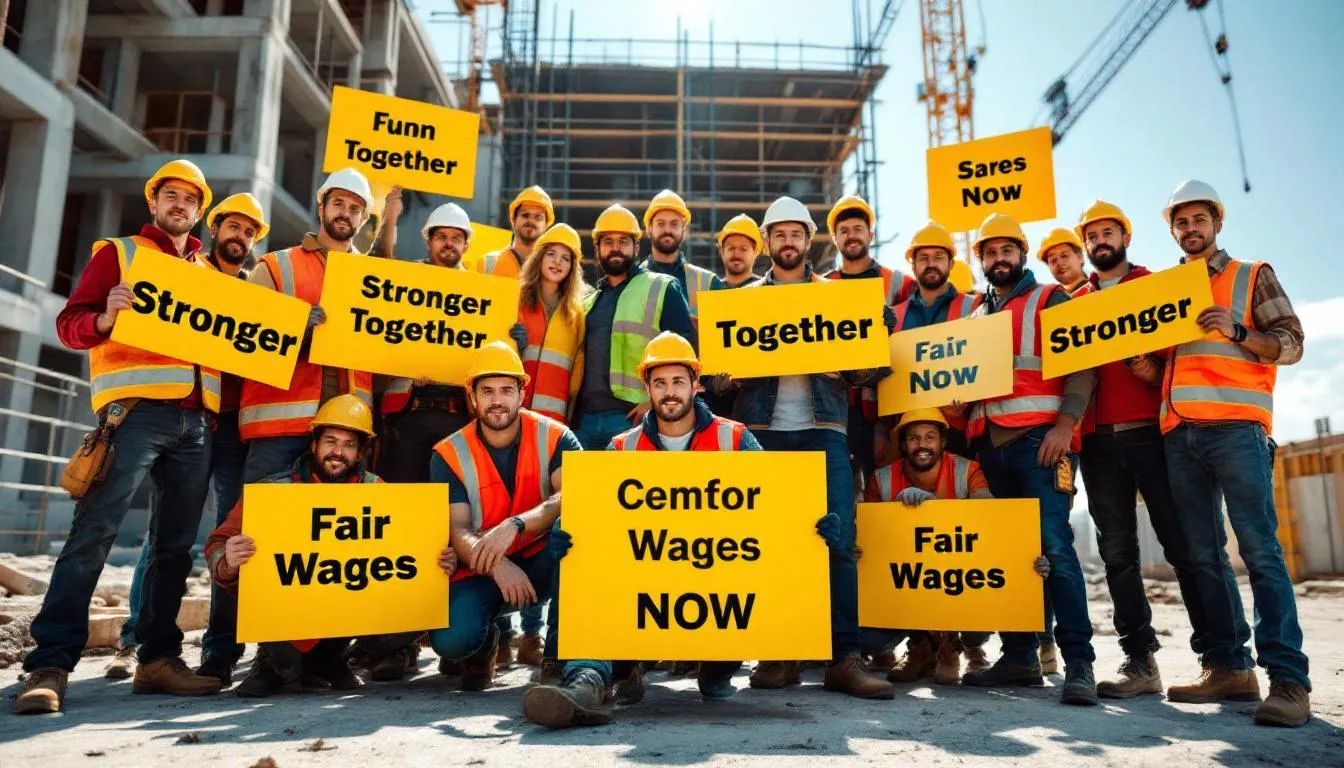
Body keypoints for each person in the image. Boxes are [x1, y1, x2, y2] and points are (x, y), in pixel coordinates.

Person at [15, 160, 226, 715]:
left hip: (195, 423)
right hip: (134, 415)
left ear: (199, 210)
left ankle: (157, 659)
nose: (180, 205)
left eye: (190, 199)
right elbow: (70, 324)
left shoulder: (208, 273)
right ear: (154, 202)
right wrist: (105, 320)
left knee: (174, 548)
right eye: (171, 195)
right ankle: (50, 665)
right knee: (94, 534)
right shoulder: (119, 254)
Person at [521, 332, 775, 728]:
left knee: (720, 662)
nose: (669, 392)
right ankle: (586, 683)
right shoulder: (622, 447)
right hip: (642, 582)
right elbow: (599, 518)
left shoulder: (735, 438)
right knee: (590, 572)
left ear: (696, 384)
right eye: (659, 383)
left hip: (715, 582)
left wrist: (808, 527)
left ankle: (711, 670)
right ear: (647, 388)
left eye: (678, 382)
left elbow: (774, 508)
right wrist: (573, 532)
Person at [713, 196, 896, 700]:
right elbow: (715, 379)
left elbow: (869, 373)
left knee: (837, 543)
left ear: (809, 240)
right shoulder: (743, 302)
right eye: (779, 234)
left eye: (796, 234)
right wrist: (729, 376)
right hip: (763, 434)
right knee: (769, 544)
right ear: (766, 242)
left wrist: (867, 343)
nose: (788, 242)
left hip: (824, 432)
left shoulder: (837, 298)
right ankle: (780, 651)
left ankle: (843, 657)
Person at [1157, 180, 1310, 727]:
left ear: (1217, 224)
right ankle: (1229, 668)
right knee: (1203, 556)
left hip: (1237, 430)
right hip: (1180, 433)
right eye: (1181, 222)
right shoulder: (1166, 290)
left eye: (1199, 220)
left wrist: (1240, 330)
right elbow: (1173, 363)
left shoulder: (1251, 275)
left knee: (1260, 551)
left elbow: (1292, 342)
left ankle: (1288, 680)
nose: (1190, 229)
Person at [113, 192, 269, 686]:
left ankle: (220, 649)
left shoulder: (256, 292)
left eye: (249, 232)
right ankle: (137, 637)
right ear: (214, 228)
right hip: (189, 418)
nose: (240, 237)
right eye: (234, 227)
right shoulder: (187, 275)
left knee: (228, 535)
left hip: (233, 427)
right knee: (166, 535)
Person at [204, 395, 455, 697]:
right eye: (330, 442)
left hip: (347, 619)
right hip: (285, 624)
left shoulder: (378, 492)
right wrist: (227, 560)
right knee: (252, 586)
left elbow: (409, 554)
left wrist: (437, 561)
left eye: (349, 445)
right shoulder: (273, 492)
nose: (338, 452)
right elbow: (217, 543)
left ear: (361, 452)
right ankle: (274, 662)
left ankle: (334, 660)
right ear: (314, 444)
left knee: (414, 608)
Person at [953, 212, 1099, 706]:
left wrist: (1065, 425)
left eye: (1007, 250)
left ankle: (1079, 663)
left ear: (1021, 253)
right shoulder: (975, 315)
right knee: (1009, 557)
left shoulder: (1050, 299)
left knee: (1055, 549)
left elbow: (1081, 366)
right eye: (990, 252)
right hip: (991, 447)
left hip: (1042, 443)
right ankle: (1019, 656)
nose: (999, 258)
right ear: (982, 260)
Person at [1068, 199, 1212, 699]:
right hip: (1099, 443)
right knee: (1117, 555)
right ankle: (1140, 660)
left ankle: (1216, 658)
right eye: (1092, 236)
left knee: (1182, 547)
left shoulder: (1155, 287)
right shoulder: (1075, 305)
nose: (1099, 241)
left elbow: (1181, 359)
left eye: (1107, 233)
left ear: (1125, 238)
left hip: (1153, 434)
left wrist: (1151, 372)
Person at [427, 342, 580, 691]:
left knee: (572, 528)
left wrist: (516, 525)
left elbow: (572, 495)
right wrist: (497, 564)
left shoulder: (556, 437)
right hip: (482, 567)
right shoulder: (448, 453)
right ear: (472, 397)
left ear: (522, 394)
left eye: (507, 390)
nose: (497, 400)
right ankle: (483, 647)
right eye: (487, 391)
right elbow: (458, 529)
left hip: (544, 559)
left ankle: (558, 655)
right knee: (451, 640)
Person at [861, 409, 1047, 686]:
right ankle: (924, 646)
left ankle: (954, 645)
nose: (922, 444)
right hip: (911, 586)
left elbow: (992, 517)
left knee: (975, 632)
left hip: (961, 586)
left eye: (930, 437)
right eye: (913, 438)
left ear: (943, 441)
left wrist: (934, 508)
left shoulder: (966, 470)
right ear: (903, 444)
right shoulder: (882, 479)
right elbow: (869, 539)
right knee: (869, 639)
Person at [239, 168, 375, 482]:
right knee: (262, 512)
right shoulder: (275, 267)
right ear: (322, 207)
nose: (345, 213)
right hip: (279, 428)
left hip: (347, 429)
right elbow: (244, 343)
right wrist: (295, 333)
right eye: (338, 204)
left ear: (364, 218)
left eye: (354, 208)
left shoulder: (375, 280)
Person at [501, 222, 588, 667]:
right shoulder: (514, 300)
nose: (557, 262)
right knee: (500, 517)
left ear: (573, 267)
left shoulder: (576, 315)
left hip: (551, 431)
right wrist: (508, 342)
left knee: (540, 529)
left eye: (565, 257)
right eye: (551, 254)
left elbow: (576, 376)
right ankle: (500, 634)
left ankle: (532, 634)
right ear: (539, 259)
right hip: (509, 426)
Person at [572, 204, 694, 451]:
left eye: (623, 242)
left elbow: (687, 354)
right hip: (585, 421)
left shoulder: (662, 287)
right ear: (597, 248)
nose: (615, 248)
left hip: (632, 417)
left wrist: (652, 403)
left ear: (636, 248)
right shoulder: (588, 300)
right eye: (608, 242)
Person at [825, 196, 917, 493]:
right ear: (835, 238)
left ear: (870, 235)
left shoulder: (900, 284)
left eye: (858, 229)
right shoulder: (821, 287)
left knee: (887, 490)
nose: (851, 235)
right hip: (838, 405)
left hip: (887, 405)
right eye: (844, 231)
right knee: (843, 491)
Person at [642, 189, 724, 325]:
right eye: (660, 223)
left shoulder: (709, 283)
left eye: (674, 224)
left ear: (684, 231)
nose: (667, 230)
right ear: (649, 229)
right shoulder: (632, 281)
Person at [477, 186, 553, 277]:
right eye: (525, 215)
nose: (531, 221)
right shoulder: (487, 264)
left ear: (546, 225)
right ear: (514, 220)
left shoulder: (553, 269)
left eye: (538, 217)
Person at [1038, 227, 1089, 296]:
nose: (1059, 263)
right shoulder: (1054, 300)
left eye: (1064, 256)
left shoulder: (1098, 288)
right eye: (1053, 260)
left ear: (1080, 257)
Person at [717, 214, 763, 288]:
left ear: (755, 252)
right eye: (731, 248)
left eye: (743, 249)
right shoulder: (711, 290)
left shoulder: (768, 290)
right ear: (722, 252)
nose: (737, 254)